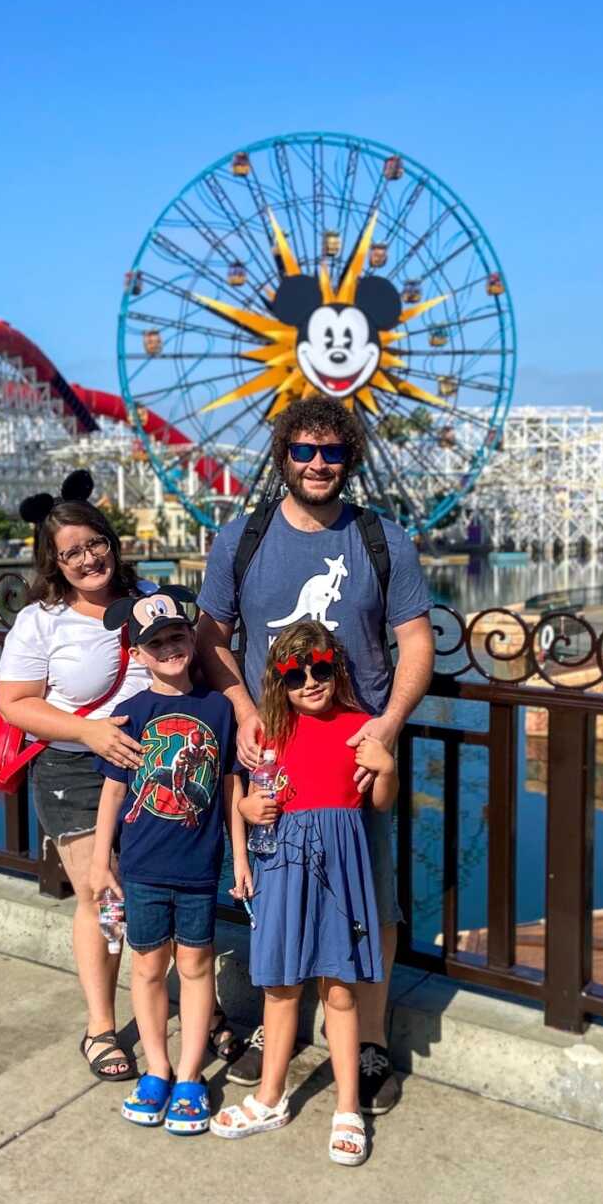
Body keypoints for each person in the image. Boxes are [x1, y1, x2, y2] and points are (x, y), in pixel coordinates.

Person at [196, 397, 435, 1112]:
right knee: (277, 895)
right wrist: (241, 710)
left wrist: (387, 726)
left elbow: (416, 643)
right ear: (283, 457)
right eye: (303, 451)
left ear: (349, 459)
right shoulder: (241, 538)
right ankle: (281, 1031)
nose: (318, 464)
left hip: (357, 752)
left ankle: (367, 1041)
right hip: (276, 753)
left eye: (331, 453)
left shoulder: (382, 537)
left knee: (372, 901)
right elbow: (211, 637)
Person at [211, 621, 397, 1165]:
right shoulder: (268, 730)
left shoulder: (362, 728)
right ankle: (270, 1097)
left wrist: (386, 769)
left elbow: (380, 801)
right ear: (279, 682)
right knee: (280, 986)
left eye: (320, 669)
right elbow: (240, 793)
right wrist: (244, 817)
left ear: (335, 669)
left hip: (341, 870)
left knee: (340, 992)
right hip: (281, 867)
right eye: (296, 675)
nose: (310, 682)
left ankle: (346, 1108)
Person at [0, 470, 149, 1082]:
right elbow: (15, 703)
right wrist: (88, 730)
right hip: (76, 769)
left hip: (152, 766)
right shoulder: (41, 621)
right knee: (102, 895)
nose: (89, 559)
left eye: (96, 544)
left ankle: (198, 1011)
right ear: (54, 564)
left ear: (111, 541)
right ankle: (101, 1026)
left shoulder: (150, 599)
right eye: (72, 553)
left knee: (161, 888)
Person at [89, 586, 249, 1134]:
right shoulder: (129, 714)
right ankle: (156, 1068)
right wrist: (99, 861)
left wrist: (241, 856)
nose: (169, 649)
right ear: (138, 654)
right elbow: (113, 792)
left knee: (197, 966)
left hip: (199, 868)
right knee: (149, 966)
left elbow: (230, 789)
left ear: (192, 640)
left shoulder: (219, 709)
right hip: (142, 866)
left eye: (177, 637)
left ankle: (188, 1075)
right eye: (155, 643)